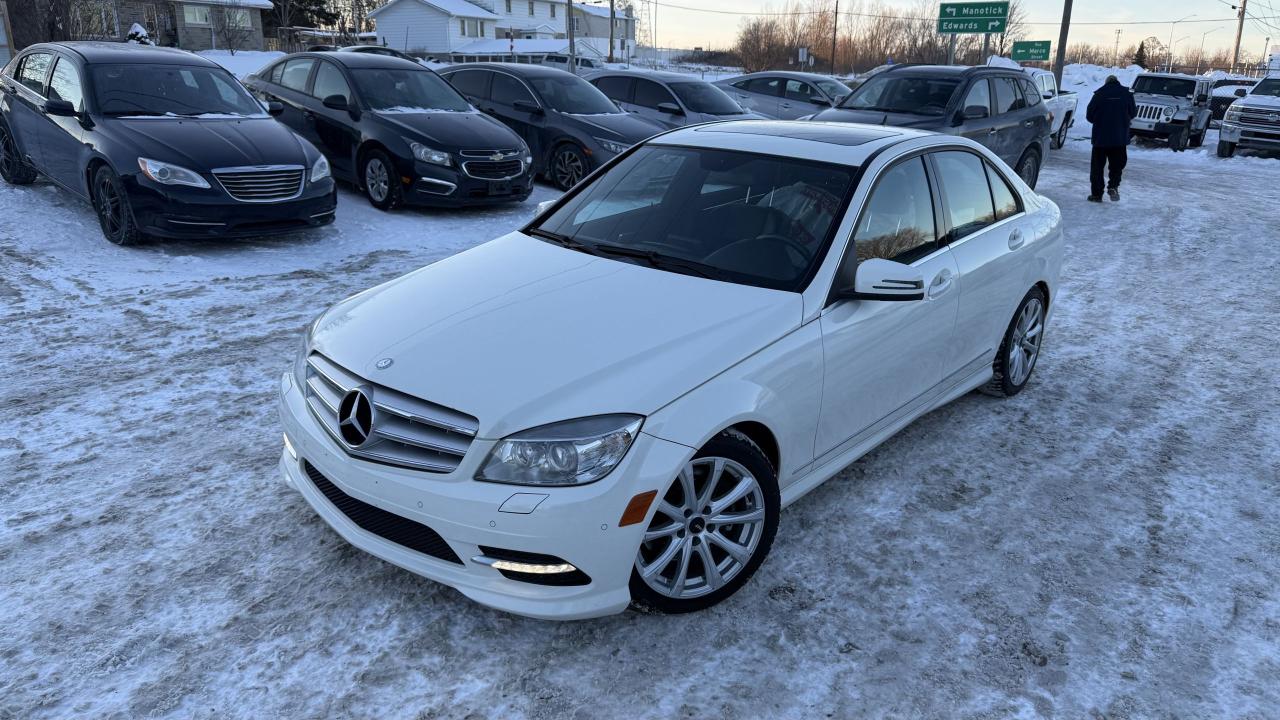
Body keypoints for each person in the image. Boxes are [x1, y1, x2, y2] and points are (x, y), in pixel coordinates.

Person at [1085, 75, 1137, 202]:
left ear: (1106, 82)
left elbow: (1089, 115)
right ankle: (1113, 186)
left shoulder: (1099, 94)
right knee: (1117, 165)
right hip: (1119, 138)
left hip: (1100, 138)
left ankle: (1097, 195)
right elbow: (1134, 112)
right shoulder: (1126, 94)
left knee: (1097, 167)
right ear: (1117, 82)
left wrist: (1099, 121)